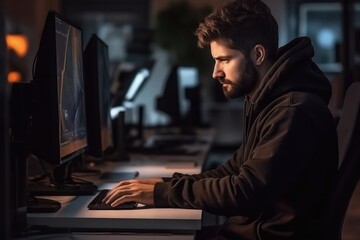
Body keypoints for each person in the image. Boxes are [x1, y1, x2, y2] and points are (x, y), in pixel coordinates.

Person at [103, 0, 339, 239]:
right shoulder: (266, 101)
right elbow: (233, 170)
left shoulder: (293, 111)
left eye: (224, 60)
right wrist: (164, 184)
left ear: (257, 54)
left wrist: (163, 194)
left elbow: (245, 192)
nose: (216, 72)